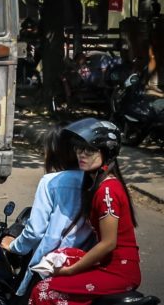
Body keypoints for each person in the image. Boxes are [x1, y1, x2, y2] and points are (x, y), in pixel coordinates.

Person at [30, 118, 141, 305]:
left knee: (43, 291)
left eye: (89, 150)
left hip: (118, 271)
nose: (82, 154)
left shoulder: (107, 191)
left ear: (106, 153)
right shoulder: (97, 185)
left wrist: (70, 271)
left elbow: (108, 243)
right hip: (108, 264)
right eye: (79, 148)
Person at [0, 124, 94, 299]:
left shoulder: (51, 181)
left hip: (53, 263)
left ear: (56, 153)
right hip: (89, 261)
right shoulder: (94, 180)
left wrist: (13, 246)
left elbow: (35, 231)